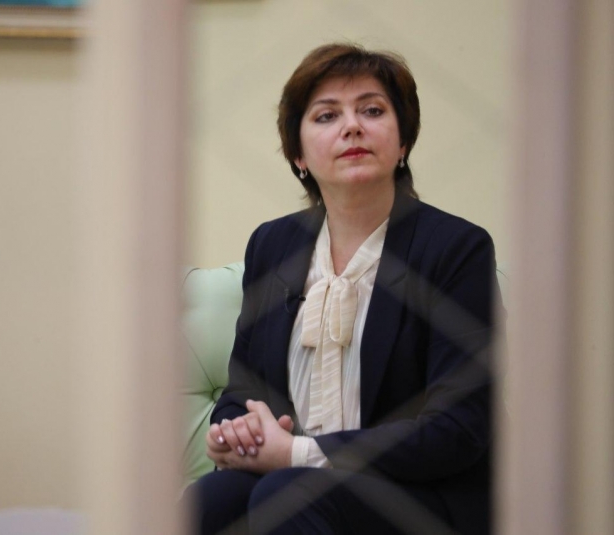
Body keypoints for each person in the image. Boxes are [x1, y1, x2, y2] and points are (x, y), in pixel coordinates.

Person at [185, 43, 502, 534]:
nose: (352, 126)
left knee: (287, 492)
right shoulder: (273, 245)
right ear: (298, 154)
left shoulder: (456, 249)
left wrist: (298, 453)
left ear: (403, 141)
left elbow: (457, 429)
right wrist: (234, 433)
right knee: (210, 499)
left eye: (372, 110)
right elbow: (243, 389)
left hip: (421, 497)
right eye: (327, 115)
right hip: (293, 485)